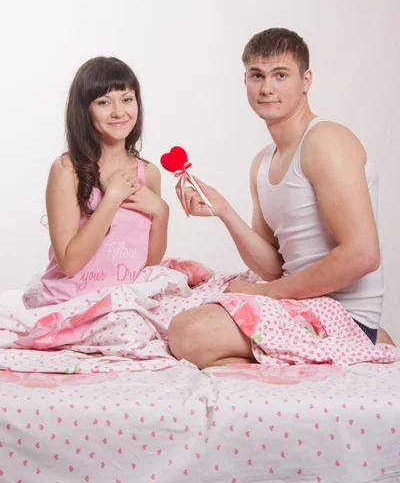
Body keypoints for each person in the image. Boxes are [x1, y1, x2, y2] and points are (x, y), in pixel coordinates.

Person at [168, 27, 391, 369]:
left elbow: (362, 255)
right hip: (300, 305)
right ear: (245, 81)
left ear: (306, 80)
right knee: (183, 308)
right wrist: (225, 212)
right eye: (257, 76)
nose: (267, 88)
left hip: (341, 316)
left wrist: (267, 294)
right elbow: (274, 267)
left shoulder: (326, 140)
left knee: (188, 334)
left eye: (280, 75)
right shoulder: (262, 162)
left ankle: (362, 343)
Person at [37, 56, 169, 307]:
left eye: (127, 99)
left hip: (127, 300)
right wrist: (112, 199)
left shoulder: (148, 173)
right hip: (73, 300)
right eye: (104, 102)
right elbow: (69, 263)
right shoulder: (68, 170)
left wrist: (162, 212)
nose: (119, 112)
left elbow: (149, 266)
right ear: (85, 109)